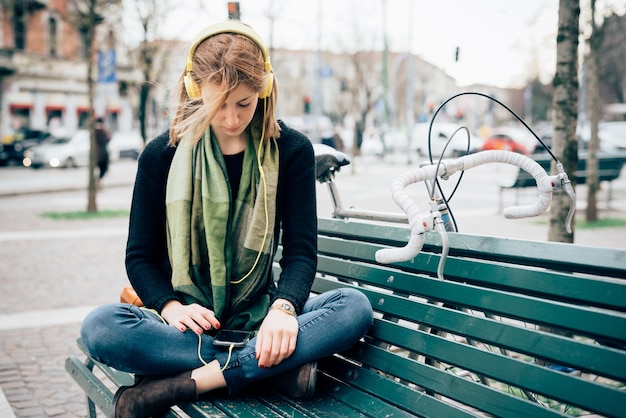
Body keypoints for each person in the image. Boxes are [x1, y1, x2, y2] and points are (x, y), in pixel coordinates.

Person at [80, 20, 373, 418]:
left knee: (353, 307)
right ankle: (269, 369)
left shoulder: (292, 150)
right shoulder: (161, 155)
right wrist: (169, 308)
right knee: (100, 327)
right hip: (185, 326)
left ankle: (191, 381)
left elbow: (302, 253)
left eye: (244, 103)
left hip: (262, 314)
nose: (233, 119)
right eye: (220, 104)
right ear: (195, 91)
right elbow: (139, 257)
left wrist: (284, 310)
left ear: (264, 91)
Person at [95, 117, 110, 182]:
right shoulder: (98, 132)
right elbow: (108, 138)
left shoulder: (101, 131)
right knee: (103, 169)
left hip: (102, 154)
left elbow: (108, 139)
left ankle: (98, 181)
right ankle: (98, 181)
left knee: (104, 169)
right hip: (101, 154)